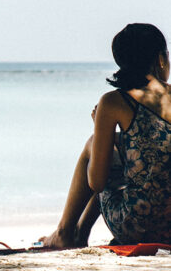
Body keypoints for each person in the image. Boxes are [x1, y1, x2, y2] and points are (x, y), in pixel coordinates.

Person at [39, 23, 171, 247]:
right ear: (161, 59)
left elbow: (97, 182)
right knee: (122, 147)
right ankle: (77, 233)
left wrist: (100, 136)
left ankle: (66, 232)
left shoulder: (113, 102)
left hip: (136, 227)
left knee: (94, 146)